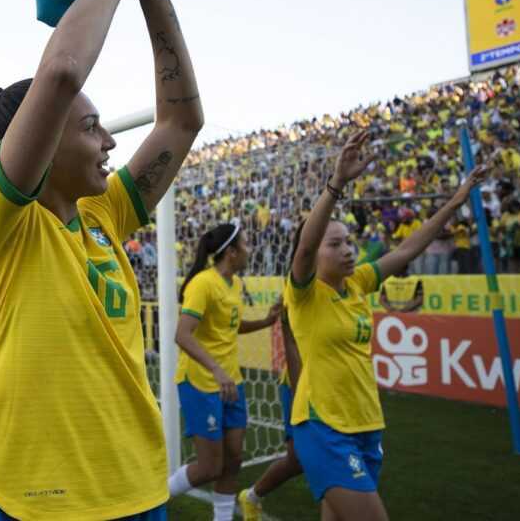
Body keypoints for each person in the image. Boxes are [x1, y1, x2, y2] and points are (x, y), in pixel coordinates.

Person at [0, 0, 204, 517]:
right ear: (38, 146)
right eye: (90, 127)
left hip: (136, 487)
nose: (110, 140)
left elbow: (181, 124)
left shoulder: (101, 215)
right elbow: (61, 72)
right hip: (34, 498)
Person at [286, 129, 488, 520]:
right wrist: (337, 183)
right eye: (336, 244)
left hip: (366, 423)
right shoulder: (305, 293)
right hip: (323, 425)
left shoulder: (359, 281)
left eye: (349, 241)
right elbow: (307, 247)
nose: (347, 250)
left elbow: (409, 248)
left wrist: (455, 202)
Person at [168, 222, 281, 521]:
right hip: (201, 382)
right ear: (231, 252)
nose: (249, 249)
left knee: (234, 460)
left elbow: (230, 327)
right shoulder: (203, 284)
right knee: (209, 468)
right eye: (245, 244)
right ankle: (154, 497)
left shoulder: (236, 284)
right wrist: (216, 370)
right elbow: (183, 334)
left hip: (231, 382)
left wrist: (266, 322)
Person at [238, 306, 304, 521]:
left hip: (335, 384)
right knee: (298, 459)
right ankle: (252, 496)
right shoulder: (301, 287)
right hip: (301, 381)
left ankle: (251, 496)